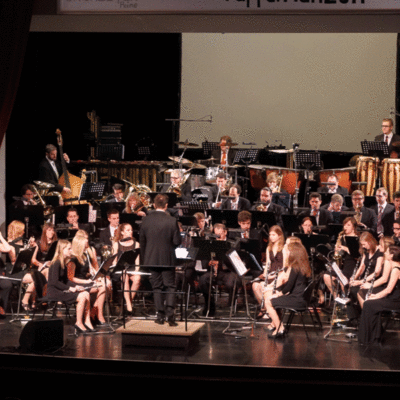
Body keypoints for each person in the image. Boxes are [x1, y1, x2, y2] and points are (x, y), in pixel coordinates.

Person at [139, 194, 181, 326]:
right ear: (166, 206)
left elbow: (142, 242)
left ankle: (160, 316)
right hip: (167, 259)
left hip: (151, 258)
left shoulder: (145, 220)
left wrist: (144, 261)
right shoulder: (172, 220)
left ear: (154, 205)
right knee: (170, 286)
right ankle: (170, 316)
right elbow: (177, 241)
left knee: (156, 287)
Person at [263, 241, 312, 338]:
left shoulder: (295, 267)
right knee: (273, 298)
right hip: (302, 298)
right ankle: (277, 326)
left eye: (288, 252)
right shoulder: (304, 265)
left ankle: (279, 328)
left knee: (268, 301)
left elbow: (289, 286)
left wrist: (278, 294)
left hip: (297, 300)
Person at [46, 239, 95, 334]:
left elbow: (66, 281)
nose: (71, 251)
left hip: (61, 290)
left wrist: (76, 286)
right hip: (54, 292)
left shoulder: (63, 263)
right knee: (81, 297)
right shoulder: (56, 263)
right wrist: (69, 288)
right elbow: (54, 282)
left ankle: (87, 321)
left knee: (85, 293)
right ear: (62, 250)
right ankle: (79, 322)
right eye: (69, 249)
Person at [358, 245, 400, 345]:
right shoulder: (396, 267)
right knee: (369, 303)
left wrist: (375, 296)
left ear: (391, 255)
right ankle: (374, 336)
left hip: (395, 301)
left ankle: (370, 338)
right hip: (393, 299)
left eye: (387, 252)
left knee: (368, 304)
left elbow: (388, 290)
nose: (384, 253)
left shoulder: (396, 269)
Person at [68, 230, 110, 325]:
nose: (86, 245)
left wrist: (90, 276)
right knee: (102, 287)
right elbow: (71, 278)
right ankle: (95, 314)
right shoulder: (73, 259)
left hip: (85, 280)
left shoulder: (83, 256)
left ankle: (95, 313)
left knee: (104, 286)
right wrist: (87, 281)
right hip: (77, 283)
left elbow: (88, 269)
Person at [198, 223, 239, 317]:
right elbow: (204, 258)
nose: (217, 238)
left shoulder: (232, 244)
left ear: (225, 232)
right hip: (213, 271)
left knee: (230, 283)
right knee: (203, 280)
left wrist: (220, 263)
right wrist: (209, 262)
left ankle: (231, 305)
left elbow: (234, 262)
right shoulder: (211, 243)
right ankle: (210, 304)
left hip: (227, 271)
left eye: (219, 235)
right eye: (216, 235)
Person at [347, 231, 383, 324]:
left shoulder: (379, 251)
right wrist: (354, 278)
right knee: (349, 287)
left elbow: (377, 272)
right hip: (365, 279)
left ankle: (366, 316)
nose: (363, 246)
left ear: (370, 241)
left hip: (374, 280)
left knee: (356, 290)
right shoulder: (366, 252)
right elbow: (362, 267)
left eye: (364, 244)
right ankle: (354, 318)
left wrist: (361, 281)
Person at [21, 222, 58, 309]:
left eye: (53, 230)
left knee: (46, 273)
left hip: (49, 268)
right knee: (39, 277)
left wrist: (51, 263)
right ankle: (43, 299)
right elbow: (33, 259)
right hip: (36, 268)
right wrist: (40, 264)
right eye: (49, 230)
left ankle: (32, 300)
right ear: (45, 231)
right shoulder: (38, 242)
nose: (51, 232)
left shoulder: (55, 244)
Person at [252, 225, 285, 317]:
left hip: (280, 276)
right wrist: (265, 274)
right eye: (270, 235)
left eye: (273, 235)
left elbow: (286, 266)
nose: (271, 237)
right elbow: (268, 264)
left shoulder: (284, 248)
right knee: (255, 285)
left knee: (265, 288)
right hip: (271, 274)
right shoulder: (269, 248)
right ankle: (264, 308)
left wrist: (276, 276)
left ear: (279, 235)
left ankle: (270, 311)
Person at [112, 223, 140, 316]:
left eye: (131, 230)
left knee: (137, 279)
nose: (130, 232)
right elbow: (114, 261)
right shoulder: (116, 244)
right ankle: (128, 304)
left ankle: (128, 302)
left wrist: (136, 270)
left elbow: (137, 261)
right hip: (120, 269)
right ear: (122, 232)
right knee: (124, 276)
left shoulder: (136, 244)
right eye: (128, 230)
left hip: (131, 268)